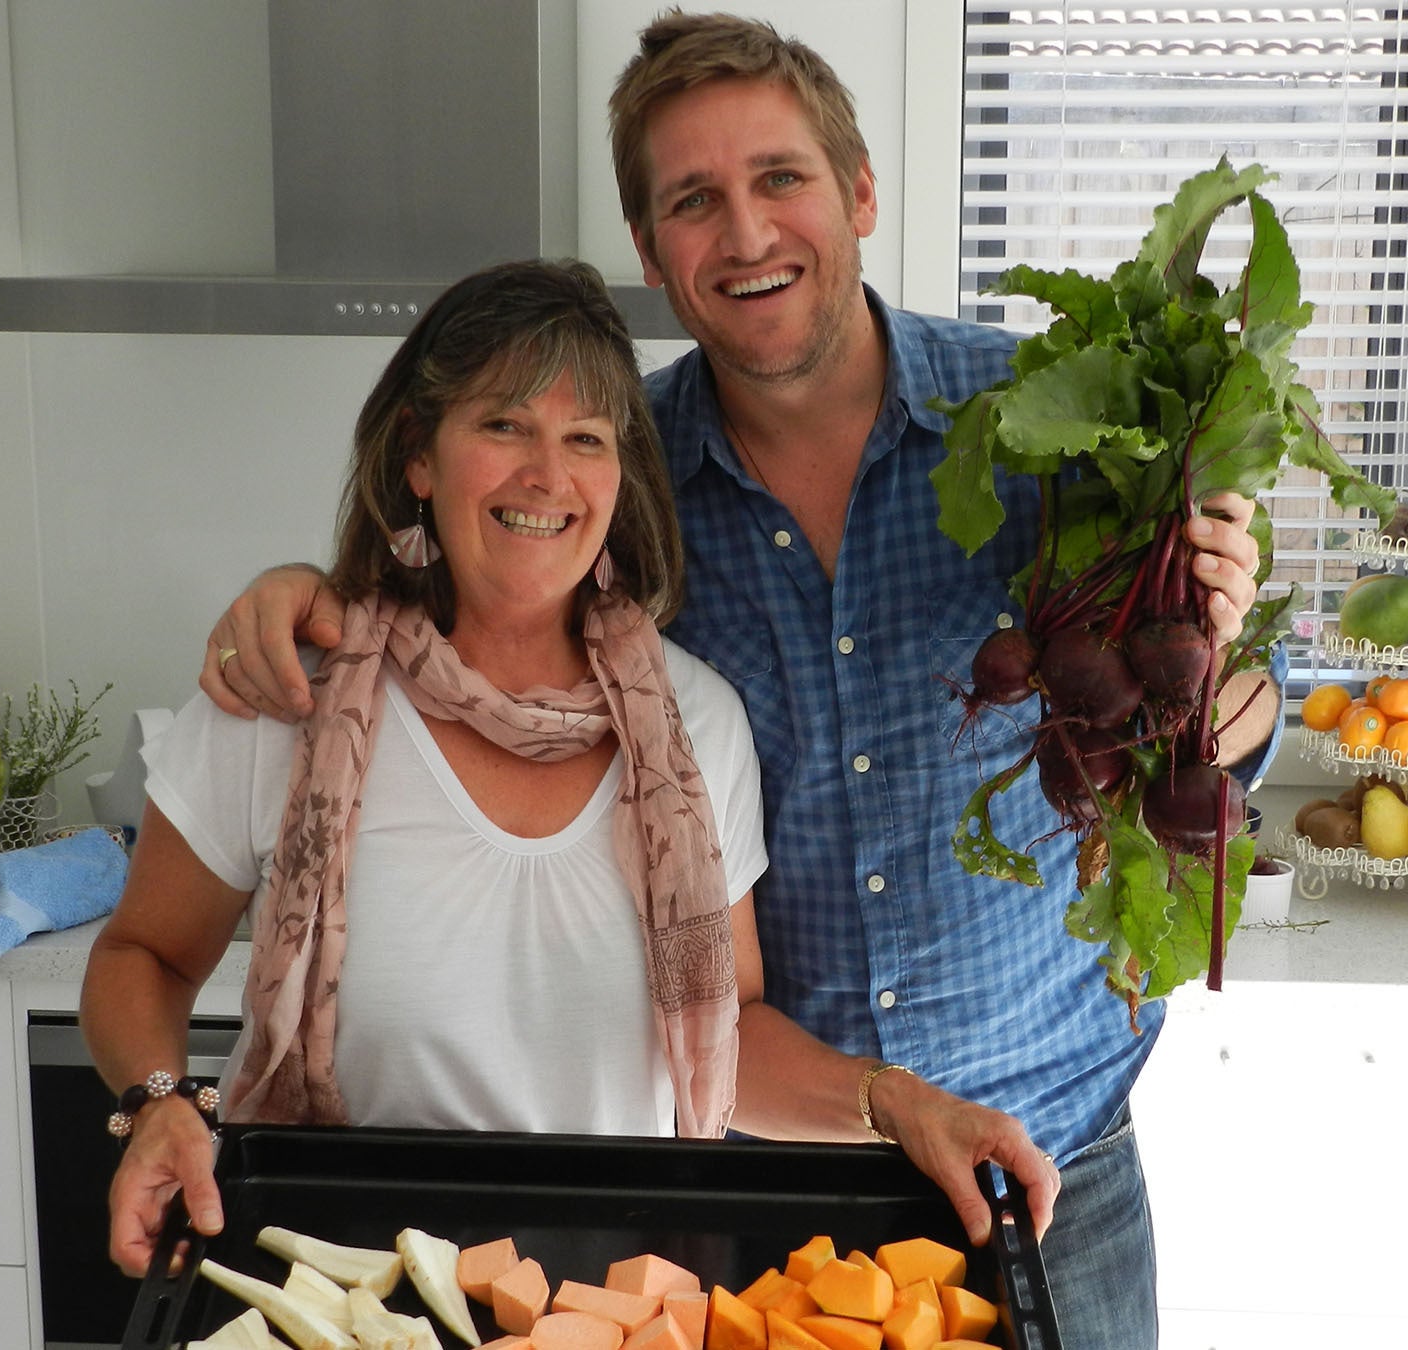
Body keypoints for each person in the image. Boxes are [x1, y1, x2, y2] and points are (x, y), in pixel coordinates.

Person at [195, 17, 1282, 1346]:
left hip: (1054, 1165)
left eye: (780, 178)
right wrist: (303, 592)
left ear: (859, 191)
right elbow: (462, 596)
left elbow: (1211, 724)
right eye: (694, 201)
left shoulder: (1047, 423)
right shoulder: (617, 472)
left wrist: (1216, 659)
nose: (747, 232)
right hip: (776, 1174)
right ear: (652, 251)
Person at [83, 257, 1055, 1281]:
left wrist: (898, 1104)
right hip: (337, 1295)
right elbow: (143, 953)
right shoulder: (287, 700)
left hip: (608, 1305)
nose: (547, 476)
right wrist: (155, 1104)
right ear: (419, 456)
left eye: (586, 438)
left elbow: (730, 1033)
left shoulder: (693, 725)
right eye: (504, 425)